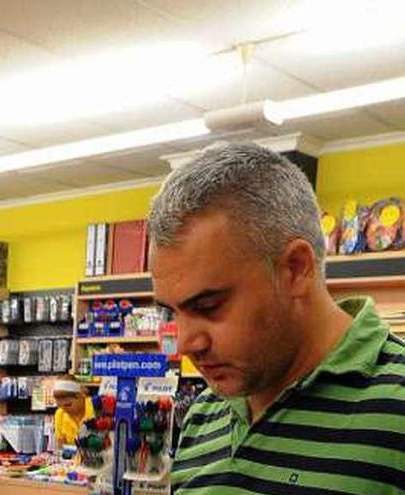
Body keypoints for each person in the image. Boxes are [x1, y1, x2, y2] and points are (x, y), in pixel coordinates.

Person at [148, 143, 405, 494]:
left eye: (208, 306)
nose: (185, 343)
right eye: (172, 311)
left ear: (295, 269)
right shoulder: (203, 416)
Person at [51, 376, 94, 448]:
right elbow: (61, 447)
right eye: (61, 406)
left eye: (68, 405)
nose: (65, 409)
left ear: (80, 396)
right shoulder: (60, 414)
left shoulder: (96, 409)